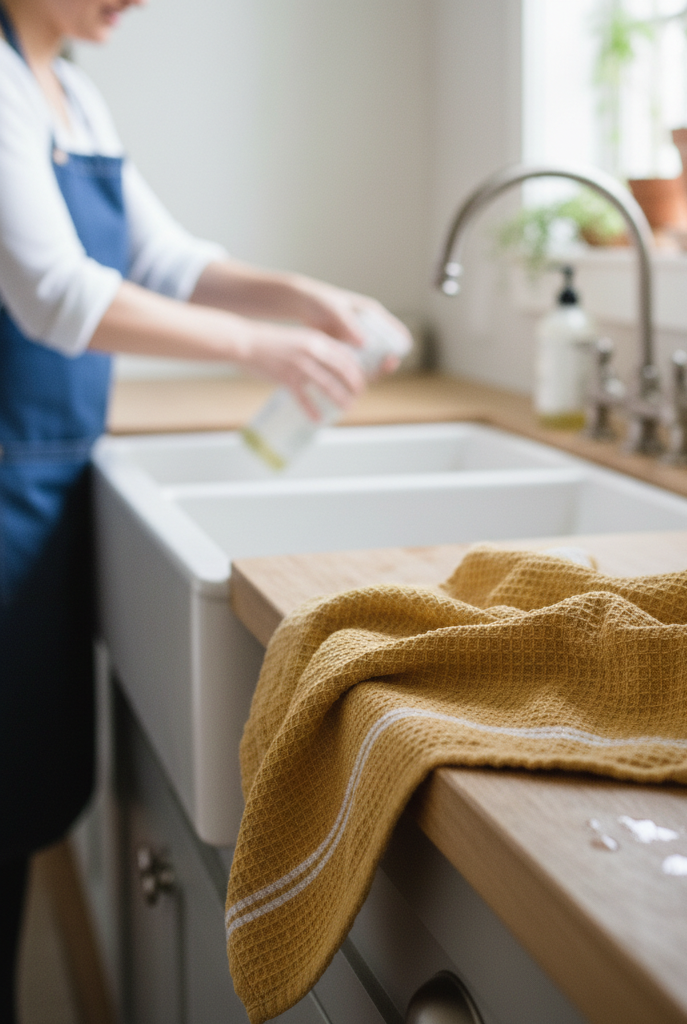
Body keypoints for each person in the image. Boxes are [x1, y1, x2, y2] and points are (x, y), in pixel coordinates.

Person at [0, 1, 410, 1018]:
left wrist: (312, 302)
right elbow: (55, 294)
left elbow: (168, 261)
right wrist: (261, 350)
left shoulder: (72, 94)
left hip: (41, 484)